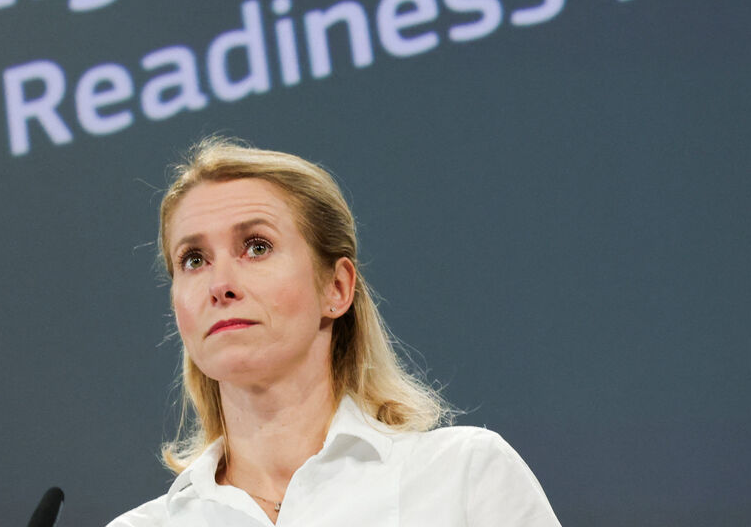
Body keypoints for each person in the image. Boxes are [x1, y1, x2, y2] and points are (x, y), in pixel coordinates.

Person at [108, 137, 560, 526]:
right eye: (193, 259)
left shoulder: (463, 476)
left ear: (337, 287)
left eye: (257, 247)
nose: (220, 284)